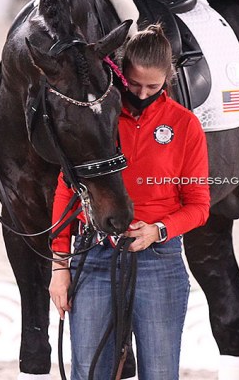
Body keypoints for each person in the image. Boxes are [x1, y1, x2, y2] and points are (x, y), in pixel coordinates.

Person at [49, 24, 210, 380]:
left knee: (160, 373)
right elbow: (67, 189)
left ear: (168, 77)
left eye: (153, 87)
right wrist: (60, 266)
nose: (141, 93)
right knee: (89, 372)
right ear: (122, 72)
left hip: (159, 262)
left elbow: (199, 205)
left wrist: (158, 230)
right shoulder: (99, 118)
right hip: (92, 256)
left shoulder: (185, 126)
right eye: (134, 84)